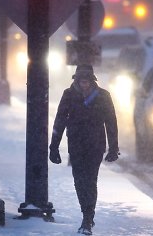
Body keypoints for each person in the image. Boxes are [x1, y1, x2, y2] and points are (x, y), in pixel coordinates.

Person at [48, 64, 120, 235]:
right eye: (82, 81)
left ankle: (87, 218)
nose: (84, 84)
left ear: (92, 80)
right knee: (80, 181)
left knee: (90, 180)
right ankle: (87, 214)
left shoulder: (103, 96)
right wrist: (54, 147)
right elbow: (59, 121)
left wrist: (113, 148)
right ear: (77, 80)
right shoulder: (69, 95)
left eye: (87, 81)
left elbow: (111, 123)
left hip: (95, 145)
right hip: (76, 144)